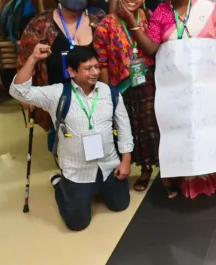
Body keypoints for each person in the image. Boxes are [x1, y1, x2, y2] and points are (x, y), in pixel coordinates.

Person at [123, 0, 216, 198]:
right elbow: (153, 47)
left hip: (206, 84)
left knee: (207, 128)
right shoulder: (161, 13)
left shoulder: (208, 8)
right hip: (176, 89)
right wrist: (131, 22)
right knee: (183, 132)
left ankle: (213, 174)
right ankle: (187, 179)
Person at [10, 44, 133, 231]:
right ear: (71, 71)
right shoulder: (57, 94)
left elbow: (124, 128)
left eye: (96, 67)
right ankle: (61, 185)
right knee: (77, 224)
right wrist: (33, 58)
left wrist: (126, 161)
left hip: (108, 164)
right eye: (87, 68)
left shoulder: (111, 93)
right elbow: (19, 91)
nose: (94, 72)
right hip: (77, 170)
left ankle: (95, 188)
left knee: (120, 205)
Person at [94, 0, 160, 192]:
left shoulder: (150, 18)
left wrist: (132, 22)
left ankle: (153, 168)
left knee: (150, 126)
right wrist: (108, 93)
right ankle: (140, 168)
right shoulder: (106, 25)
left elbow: (153, 48)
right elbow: (101, 61)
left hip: (149, 80)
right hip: (121, 85)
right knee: (130, 127)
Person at [17, 0, 106, 131]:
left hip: (93, 97)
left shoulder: (98, 22)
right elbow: (24, 59)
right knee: (63, 144)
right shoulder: (41, 23)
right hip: (57, 98)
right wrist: (27, 92)